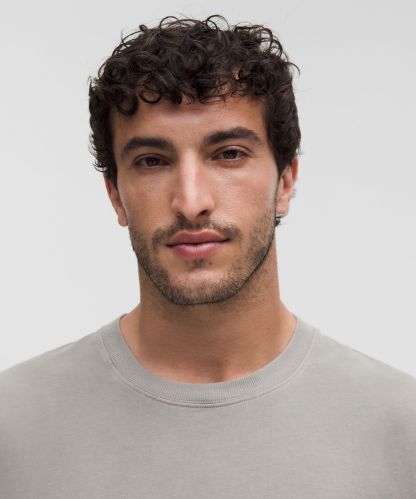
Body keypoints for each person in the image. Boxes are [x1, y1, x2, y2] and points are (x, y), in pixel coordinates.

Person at [1, 15, 415, 498]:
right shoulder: (14, 426)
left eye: (229, 154)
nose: (191, 201)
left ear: (285, 182)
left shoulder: (400, 430)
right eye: (152, 161)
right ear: (116, 196)